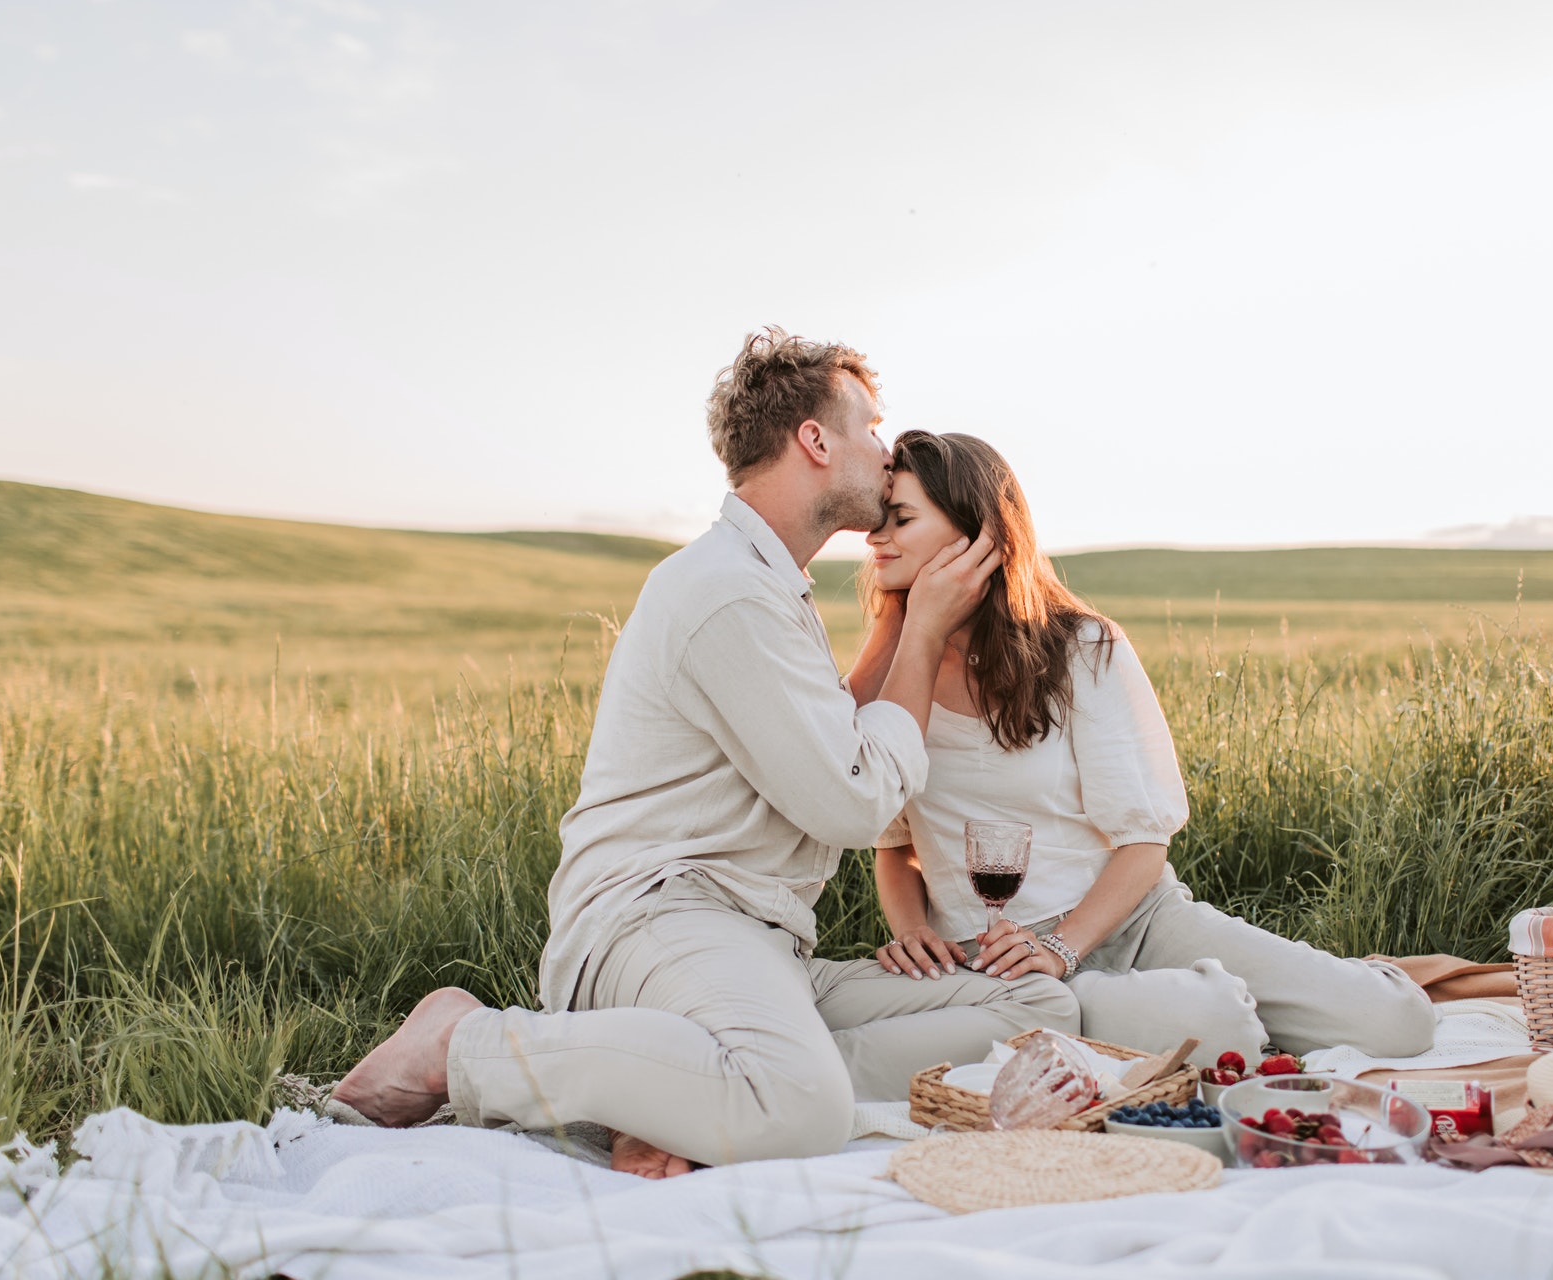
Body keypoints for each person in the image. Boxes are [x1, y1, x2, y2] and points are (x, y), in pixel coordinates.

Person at [332, 332, 1079, 1176]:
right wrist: (926, 633)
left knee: (1032, 1001)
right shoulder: (726, 592)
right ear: (816, 440)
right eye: (871, 426)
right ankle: (461, 1045)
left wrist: (897, 622)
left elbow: (828, 729)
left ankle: (670, 1094)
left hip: (754, 944)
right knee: (800, 1107)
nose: (885, 449)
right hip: (660, 919)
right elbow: (853, 800)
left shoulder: (766, 584)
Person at [861, 430, 1436, 1064]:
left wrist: (1065, 946)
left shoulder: (1083, 647)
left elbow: (1142, 841)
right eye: (876, 520)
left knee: (1395, 1024)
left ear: (978, 534)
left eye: (900, 519)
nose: (873, 537)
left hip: (1134, 920)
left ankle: (1317, 982)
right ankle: (1188, 1007)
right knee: (1222, 1031)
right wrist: (914, 932)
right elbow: (895, 845)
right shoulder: (890, 677)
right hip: (995, 962)